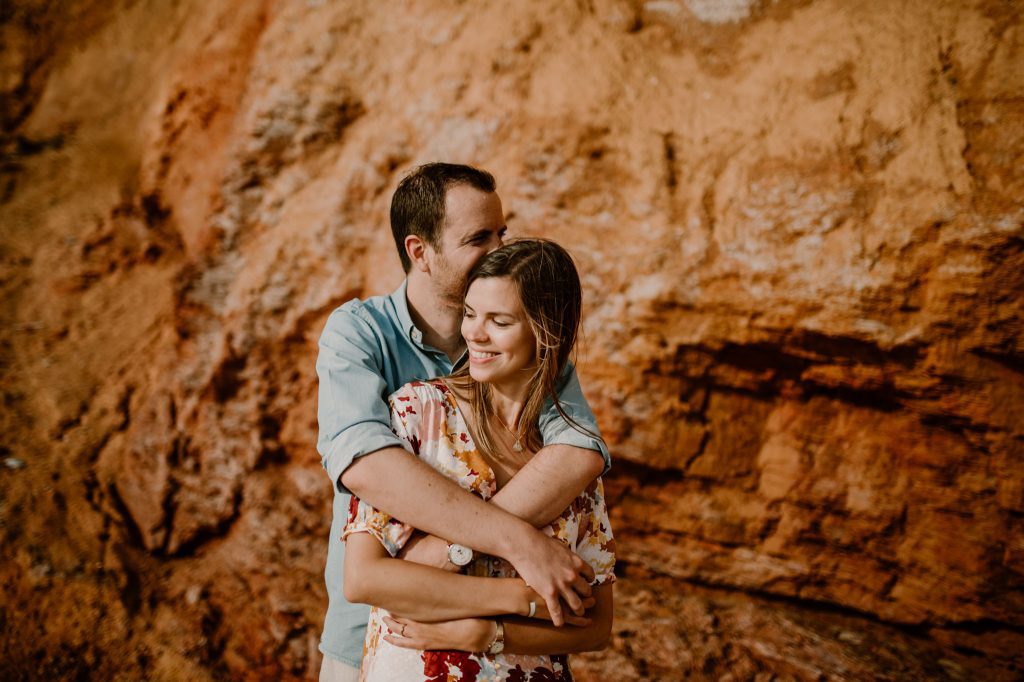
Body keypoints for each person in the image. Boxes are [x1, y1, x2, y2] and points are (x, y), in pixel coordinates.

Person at [316, 163, 611, 680]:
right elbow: (369, 466)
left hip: (509, 651)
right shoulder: (359, 335)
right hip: (378, 633)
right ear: (419, 252)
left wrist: (442, 557)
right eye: (479, 238)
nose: (498, 249)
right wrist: (521, 544)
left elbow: (578, 453)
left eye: (503, 231)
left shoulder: (531, 356)